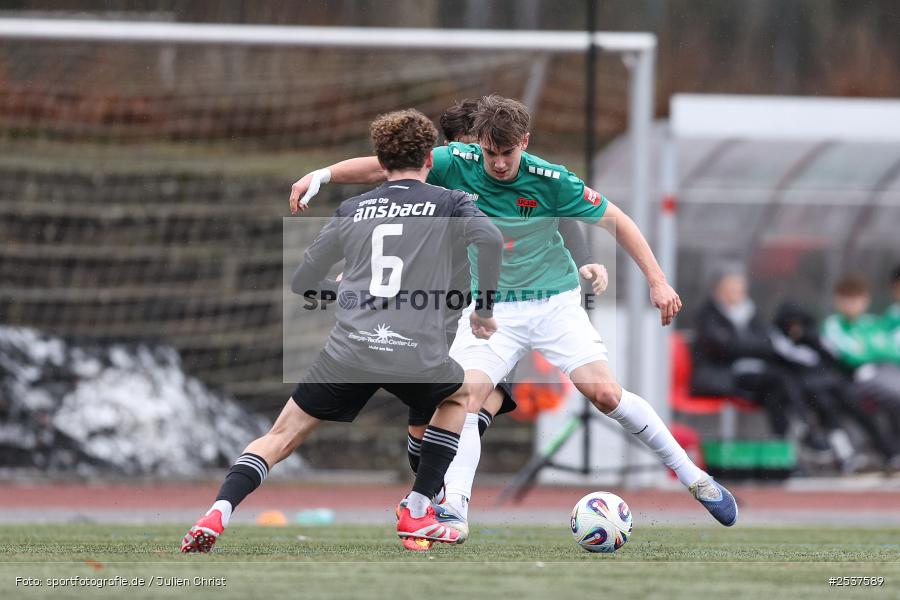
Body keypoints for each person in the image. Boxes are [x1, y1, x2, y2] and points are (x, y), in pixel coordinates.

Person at [290, 94, 738, 538]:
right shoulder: (457, 160)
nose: (499, 163)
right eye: (490, 153)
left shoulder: (552, 179)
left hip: (553, 304)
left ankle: (695, 478)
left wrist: (657, 282)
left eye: (508, 153)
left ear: (524, 141)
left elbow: (617, 220)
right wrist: (322, 174)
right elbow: (380, 167)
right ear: (479, 143)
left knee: (603, 393)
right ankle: (454, 510)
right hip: (490, 309)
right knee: (461, 399)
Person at [181, 109, 503, 553]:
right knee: (460, 396)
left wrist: (347, 294)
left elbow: (302, 283)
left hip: (349, 351)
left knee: (280, 436)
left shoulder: (352, 208)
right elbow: (488, 240)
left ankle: (218, 511)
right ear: (431, 157)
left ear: (381, 160)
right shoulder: (451, 202)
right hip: (415, 349)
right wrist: (483, 309)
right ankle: (417, 508)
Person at [400, 100, 610, 519]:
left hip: (494, 310)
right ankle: (433, 495)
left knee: (471, 405)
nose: (484, 164)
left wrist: (584, 256)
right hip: (438, 309)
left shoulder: (517, 185)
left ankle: (441, 506)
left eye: (488, 151)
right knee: (422, 428)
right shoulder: (437, 186)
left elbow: (560, 216)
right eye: (471, 150)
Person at [771, 301, 898, 471]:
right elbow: (789, 362)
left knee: (859, 409)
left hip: (833, 383)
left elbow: (833, 357)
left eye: (798, 324)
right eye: (791, 324)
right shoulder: (778, 340)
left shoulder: (814, 336)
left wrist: (812, 341)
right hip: (810, 390)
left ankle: (889, 452)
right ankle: (846, 456)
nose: (796, 329)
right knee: (827, 410)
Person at [691, 268, 813, 444]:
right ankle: (801, 427)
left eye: (739, 289)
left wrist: (744, 345)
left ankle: (784, 448)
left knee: (776, 391)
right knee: (777, 380)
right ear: (718, 290)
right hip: (722, 375)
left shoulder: (750, 312)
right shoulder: (708, 314)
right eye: (730, 288)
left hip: (754, 375)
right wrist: (748, 345)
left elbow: (766, 342)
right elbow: (724, 347)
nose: (735, 293)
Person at [821, 275, 900, 455]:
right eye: (847, 299)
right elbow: (851, 357)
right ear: (838, 301)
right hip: (854, 380)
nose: (852, 305)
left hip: (886, 373)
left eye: (857, 299)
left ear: (866, 300)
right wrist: (873, 352)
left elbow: (893, 352)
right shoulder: (834, 325)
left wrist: (871, 351)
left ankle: (894, 447)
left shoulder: (872, 323)